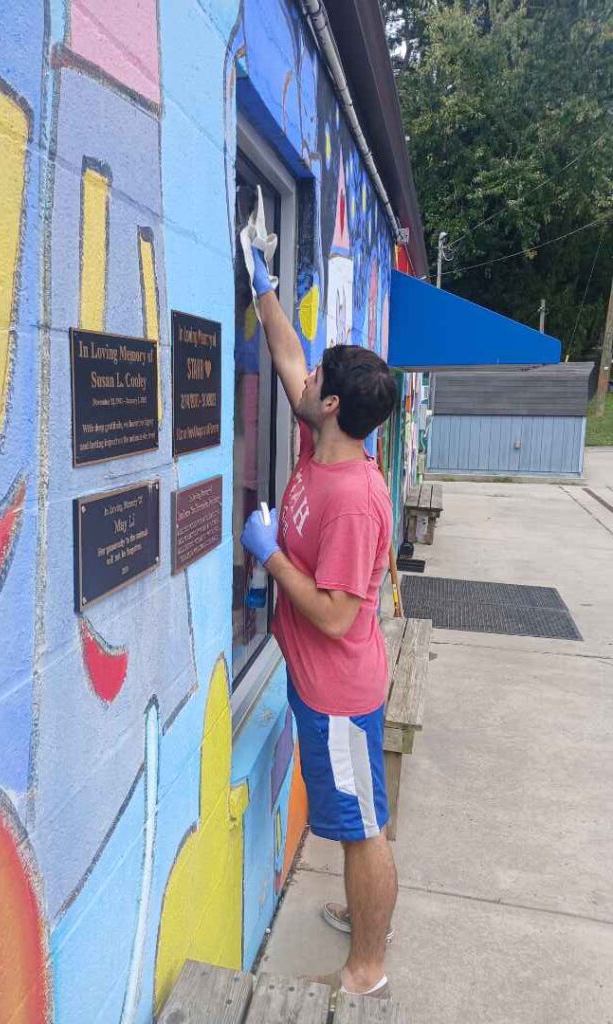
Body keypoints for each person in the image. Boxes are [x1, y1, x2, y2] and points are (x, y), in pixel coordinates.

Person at [240, 244, 399, 999]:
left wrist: (271, 558)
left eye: (317, 381)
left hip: (341, 698)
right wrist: (263, 287)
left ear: (331, 405)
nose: (304, 381)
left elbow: (336, 616)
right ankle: (363, 915)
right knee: (358, 817)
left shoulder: (354, 501)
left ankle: (367, 970)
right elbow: (287, 354)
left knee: (362, 830)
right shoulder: (321, 441)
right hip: (321, 691)